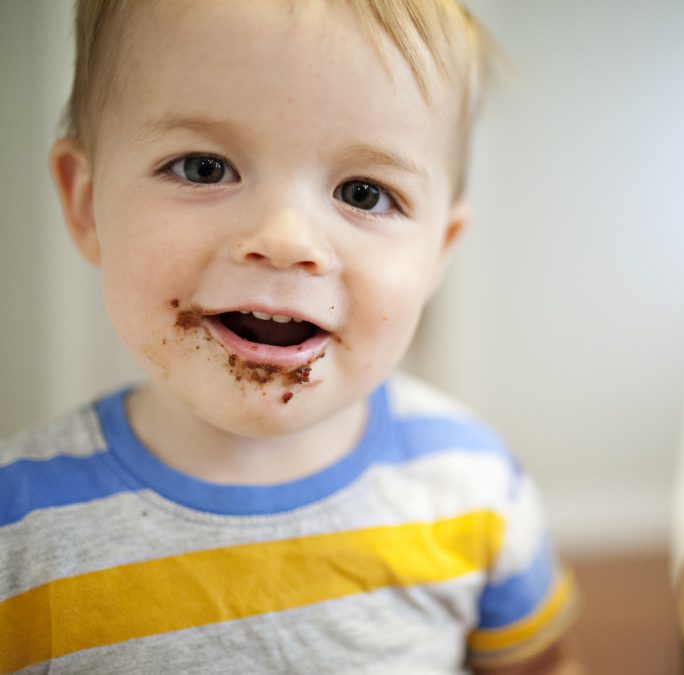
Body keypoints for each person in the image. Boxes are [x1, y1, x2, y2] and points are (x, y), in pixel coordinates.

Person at [0, 1, 580, 672]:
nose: (284, 240)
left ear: (437, 254)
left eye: (363, 193)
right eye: (204, 168)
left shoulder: (474, 488)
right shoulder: (19, 528)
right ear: (85, 203)